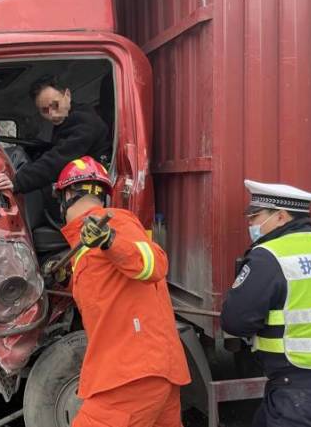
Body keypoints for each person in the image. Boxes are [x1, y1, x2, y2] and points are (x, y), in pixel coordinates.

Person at [56, 156, 190, 427]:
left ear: (67, 194)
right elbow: (106, 287)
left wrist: (110, 241)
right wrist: (65, 280)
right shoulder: (85, 239)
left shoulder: (113, 224)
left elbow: (155, 264)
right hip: (145, 372)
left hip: (131, 375)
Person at [221, 180, 311, 427]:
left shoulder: (268, 256)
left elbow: (235, 322)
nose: (251, 225)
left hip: (298, 390)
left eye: (255, 217)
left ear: (280, 217)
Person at [0, 75, 111, 194]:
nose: (52, 114)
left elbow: (59, 159)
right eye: (44, 110)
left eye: (55, 105)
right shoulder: (67, 121)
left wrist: (17, 182)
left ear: (68, 95)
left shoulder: (85, 121)